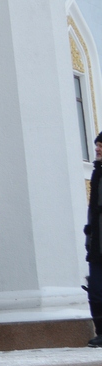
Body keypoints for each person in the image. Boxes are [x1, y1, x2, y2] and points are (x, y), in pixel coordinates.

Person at [84, 133, 102, 347]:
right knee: (96, 291)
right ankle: (101, 332)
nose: (97, 149)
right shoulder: (97, 173)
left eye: (101, 146)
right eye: (97, 145)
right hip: (97, 246)